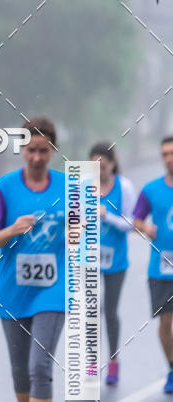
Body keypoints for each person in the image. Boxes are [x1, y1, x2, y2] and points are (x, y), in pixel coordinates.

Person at [0, 117, 66, 402]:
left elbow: (82, 236)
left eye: (43, 150)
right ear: (21, 149)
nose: (36, 156)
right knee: (20, 371)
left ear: (53, 151)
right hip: (13, 291)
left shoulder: (68, 187)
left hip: (53, 289)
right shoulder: (4, 187)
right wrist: (11, 230)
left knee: (39, 367)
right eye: (30, 149)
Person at [89, 143, 136, 385]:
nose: (99, 171)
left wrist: (108, 215)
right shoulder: (86, 186)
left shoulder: (124, 186)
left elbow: (132, 223)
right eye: (95, 166)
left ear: (112, 163)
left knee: (110, 311)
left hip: (116, 260)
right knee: (90, 311)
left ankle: (114, 361)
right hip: (90, 258)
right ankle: (90, 364)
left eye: (103, 166)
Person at [132, 135, 173, 394]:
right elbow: (136, 220)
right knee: (165, 324)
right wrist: (145, 227)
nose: (169, 158)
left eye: (172, 153)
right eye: (165, 154)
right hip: (161, 269)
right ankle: (171, 369)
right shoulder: (150, 190)